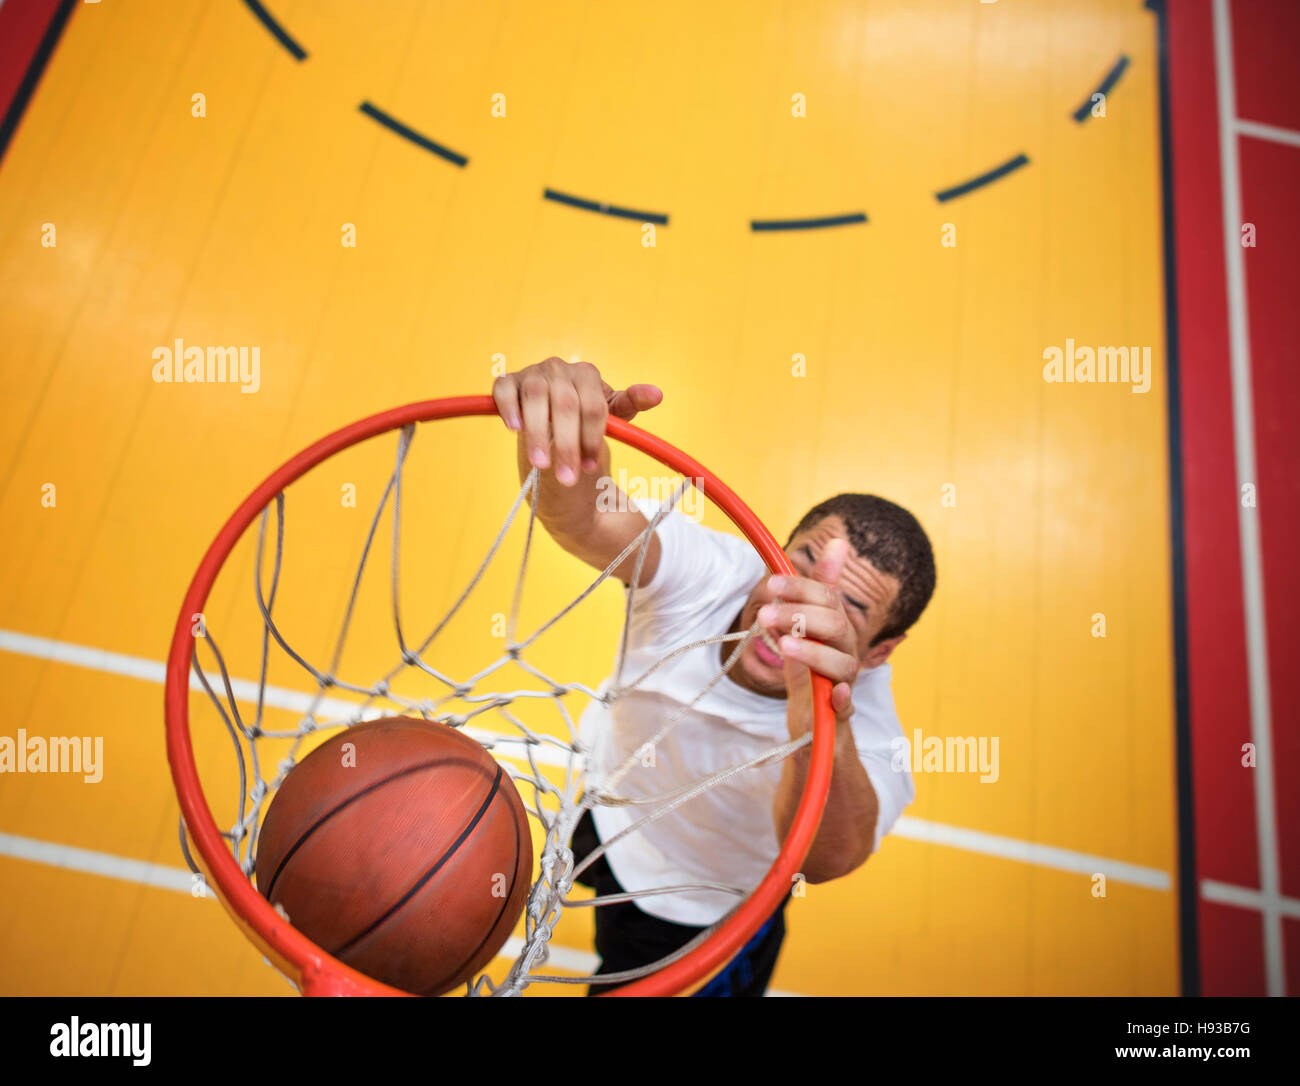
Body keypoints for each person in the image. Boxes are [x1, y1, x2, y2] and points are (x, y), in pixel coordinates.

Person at [492, 358, 937, 996]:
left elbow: (824, 858)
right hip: (611, 812)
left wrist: (817, 713)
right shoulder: (707, 569)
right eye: (801, 561)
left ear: (878, 652)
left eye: (849, 608)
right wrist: (563, 446)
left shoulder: (870, 736)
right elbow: (583, 520)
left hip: (703, 908)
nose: (799, 605)